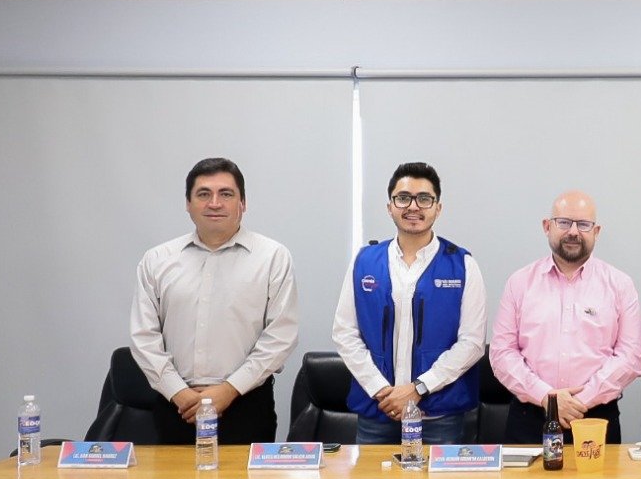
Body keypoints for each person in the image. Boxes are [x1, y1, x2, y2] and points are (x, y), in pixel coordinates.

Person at [130, 157, 299, 444]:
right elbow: (144, 337)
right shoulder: (157, 260)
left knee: (245, 477)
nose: (215, 203)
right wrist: (178, 392)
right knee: (173, 476)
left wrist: (229, 389)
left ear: (242, 203)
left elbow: (281, 336)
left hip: (245, 403)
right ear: (188, 203)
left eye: (226, 194)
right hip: (176, 406)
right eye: (204, 194)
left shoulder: (272, 257)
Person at [332, 162, 485, 445]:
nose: (413, 206)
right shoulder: (364, 261)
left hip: (438, 418)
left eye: (424, 198)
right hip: (377, 413)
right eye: (403, 198)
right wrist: (381, 390)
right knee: (371, 477)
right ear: (389, 206)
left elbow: (472, 343)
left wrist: (418, 389)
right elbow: (345, 333)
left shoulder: (462, 264)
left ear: (438, 208)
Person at [491, 190, 641, 444]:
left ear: (596, 231)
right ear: (547, 226)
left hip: (594, 419)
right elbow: (502, 353)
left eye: (583, 224)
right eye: (564, 222)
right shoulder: (519, 283)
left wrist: (579, 402)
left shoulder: (620, 285)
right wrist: (547, 397)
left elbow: (632, 356)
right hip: (530, 418)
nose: (573, 232)